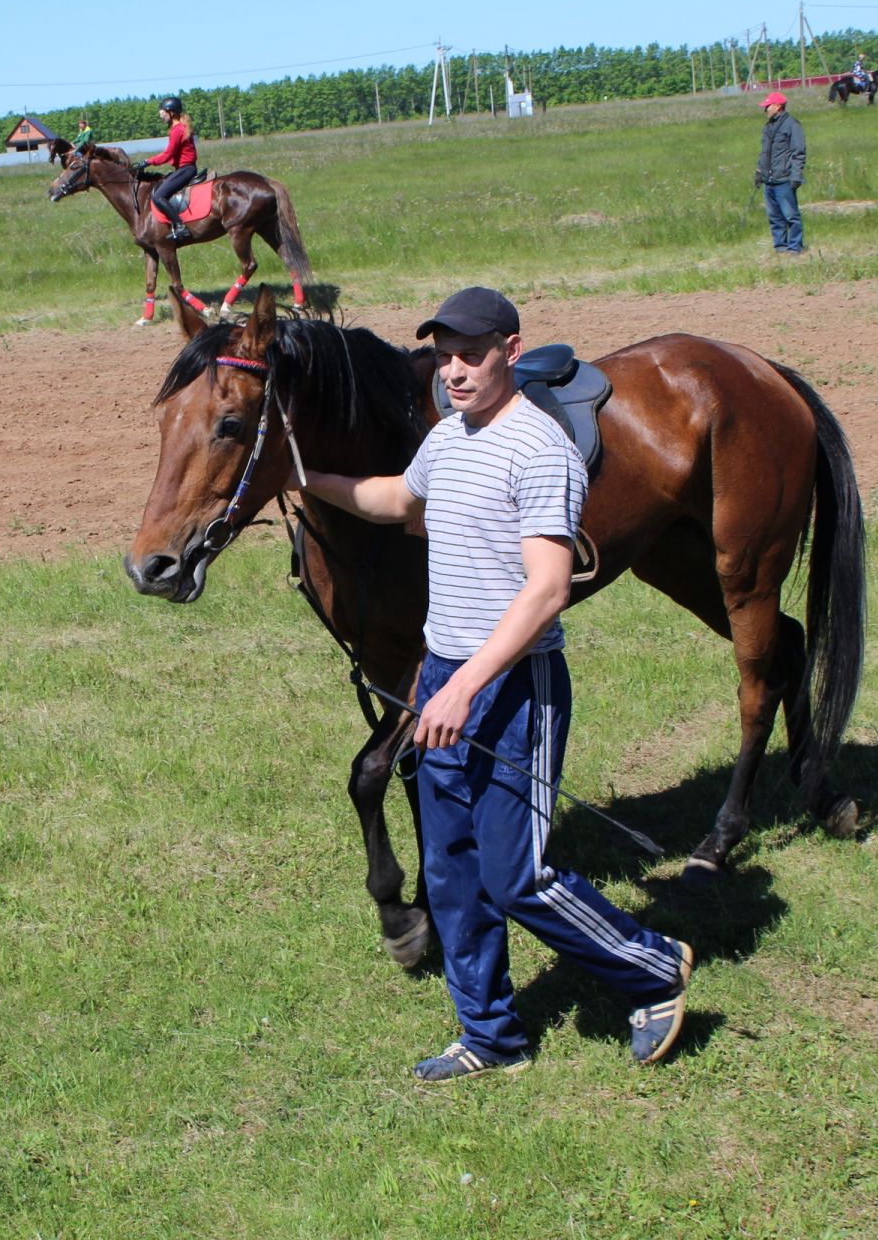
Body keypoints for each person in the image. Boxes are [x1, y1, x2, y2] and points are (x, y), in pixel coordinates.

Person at [295, 287, 695, 1081]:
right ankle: (490, 1036)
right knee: (450, 871)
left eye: (471, 354)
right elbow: (396, 500)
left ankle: (652, 968)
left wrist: (463, 688)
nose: (456, 370)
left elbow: (546, 589)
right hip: (443, 676)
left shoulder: (539, 449)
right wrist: (313, 479)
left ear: (511, 351)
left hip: (514, 684)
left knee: (517, 877)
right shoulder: (448, 440)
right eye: (444, 356)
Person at [136, 95, 198, 243]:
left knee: (158, 196)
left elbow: (167, 155)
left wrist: (147, 162)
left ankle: (180, 226)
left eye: (163, 112)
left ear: (171, 112)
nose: (161, 116)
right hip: (183, 169)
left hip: (185, 170)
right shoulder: (180, 128)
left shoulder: (177, 131)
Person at [755, 91, 807, 255]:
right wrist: (759, 171)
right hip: (769, 179)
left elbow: (799, 153)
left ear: (778, 106)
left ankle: (795, 247)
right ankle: (780, 247)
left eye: (768, 106)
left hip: (784, 179)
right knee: (774, 216)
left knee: (791, 216)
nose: (765, 110)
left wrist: (796, 176)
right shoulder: (768, 127)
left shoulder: (792, 125)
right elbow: (765, 152)